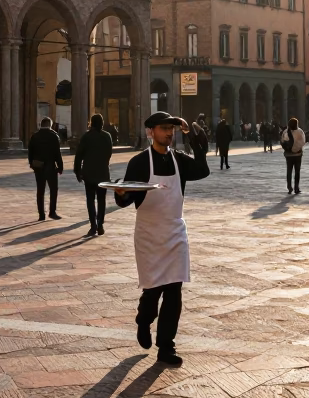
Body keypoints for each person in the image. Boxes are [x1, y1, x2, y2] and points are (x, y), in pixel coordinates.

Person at [114, 112, 209, 367]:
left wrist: (193, 134)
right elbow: (126, 199)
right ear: (151, 132)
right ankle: (144, 320)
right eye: (164, 128)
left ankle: (166, 346)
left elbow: (203, 168)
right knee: (153, 289)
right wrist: (121, 193)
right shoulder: (139, 162)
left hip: (175, 231)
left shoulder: (179, 160)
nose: (169, 133)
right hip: (149, 233)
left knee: (174, 290)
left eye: (172, 129)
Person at [74, 114, 112, 236]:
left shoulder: (87, 136)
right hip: (103, 172)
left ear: (91, 123)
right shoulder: (107, 136)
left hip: (89, 173)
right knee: (101, 200)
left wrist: (77, 171)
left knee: (90, 200)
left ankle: (93, 226)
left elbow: (79, 155)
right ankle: (100, 225)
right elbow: (109, 153)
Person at [28, 117, 63, 220]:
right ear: (50, 125)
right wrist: (60, 166)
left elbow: (30, 152)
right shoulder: (54, 136)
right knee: (53, 189)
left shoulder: (34, 136)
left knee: (40, 190)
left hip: (38, 166)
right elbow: (57, 153)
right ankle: (52, 212)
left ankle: (41, 214)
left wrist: (32, 164)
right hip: (50, 166)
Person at [281, 117, 305, 194]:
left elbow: (282, 141)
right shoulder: (300, 131)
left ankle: (289, 187)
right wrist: (297, 148)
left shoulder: (285, 132)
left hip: (288, 155)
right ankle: (296, 188)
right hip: (298, 154)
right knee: (297, 171)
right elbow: (303, 142)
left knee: (289, 171)